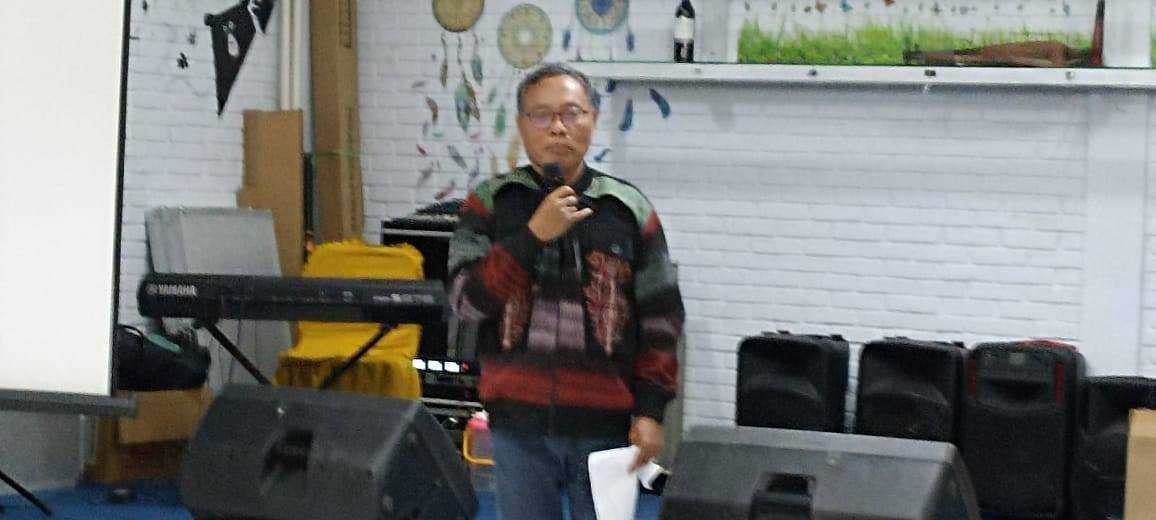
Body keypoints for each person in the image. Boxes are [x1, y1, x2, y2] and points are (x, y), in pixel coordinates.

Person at [447, 63, 685, 520]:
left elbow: (662, 320)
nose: (557, 127)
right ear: (521, 126)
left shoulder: (626, 208)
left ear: (592, 119)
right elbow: (465, 302)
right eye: (541, 115)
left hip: (607, 427)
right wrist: (532, 236)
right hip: (518, 426)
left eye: (571, 113)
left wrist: (651, 410)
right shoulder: (492, 203)